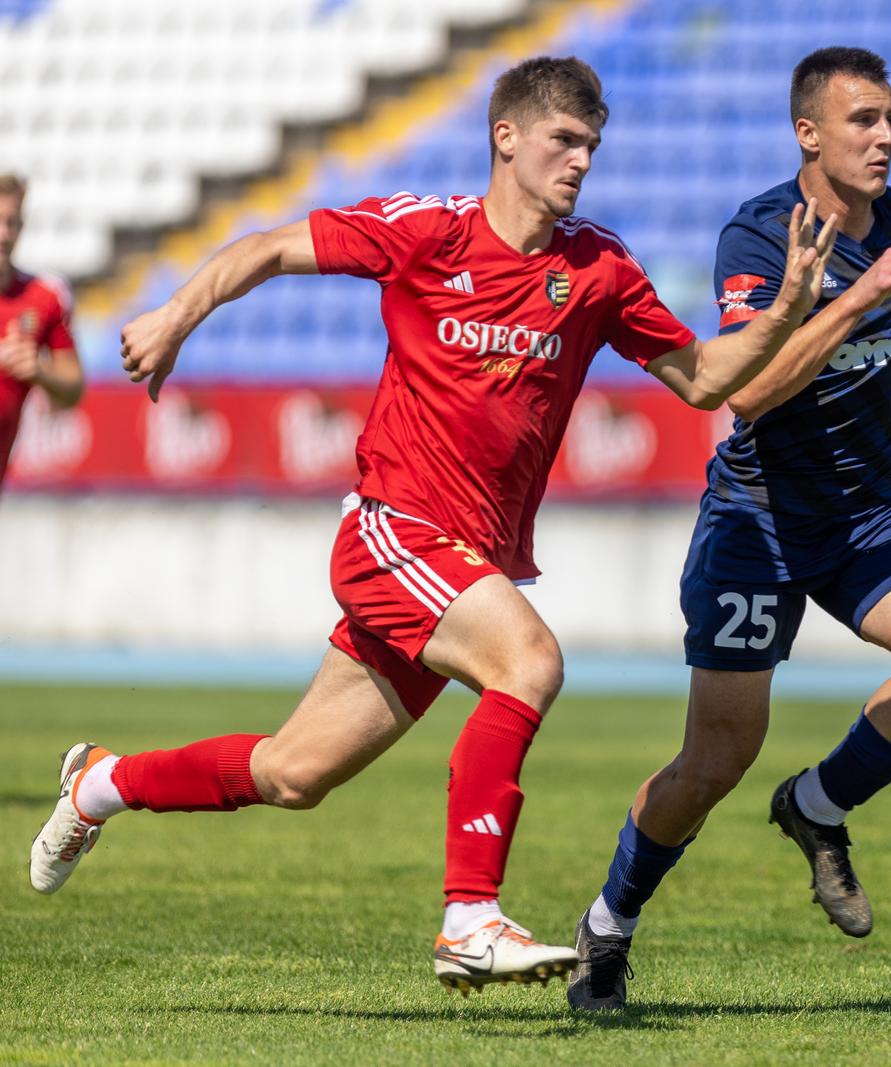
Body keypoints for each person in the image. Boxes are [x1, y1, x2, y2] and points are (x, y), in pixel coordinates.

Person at [29, 56, 838, 997]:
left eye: (592, 146)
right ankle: (470, 917)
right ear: (507, 138)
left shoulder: (599, 268)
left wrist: (785, 309)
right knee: (529, 662)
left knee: (295, 772)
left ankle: (100, 782)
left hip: (465, 564)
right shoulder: (427, 232)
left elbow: (704, 378)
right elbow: (263, 248)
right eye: (563, 141)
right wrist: (173, 315)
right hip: (394, 531)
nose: (581, 161)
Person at [566, 46, 891, 1013]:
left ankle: (816, 806)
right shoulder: (760, 237)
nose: (884, 137)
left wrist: (866, 400)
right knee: (716, 759)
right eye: (862, 122)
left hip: (862, 514)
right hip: (754, 520)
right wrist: (847, 301)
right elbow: (747, 394)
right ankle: (608, 927)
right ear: (809, 133)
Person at [0, 173, 84, 492]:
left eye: (12, 223)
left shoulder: (44, 297)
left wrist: (39, 371)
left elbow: (72, 390)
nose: (3, 234)